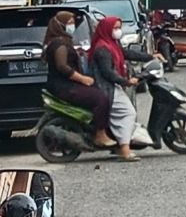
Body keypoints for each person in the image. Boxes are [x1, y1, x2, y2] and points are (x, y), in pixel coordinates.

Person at [42, 11, 114, 149]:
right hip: (64, 86)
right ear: (60, 25)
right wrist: (82, 79)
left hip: (64, 84)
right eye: (69, 23)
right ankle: (100, 134)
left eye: (72, 22)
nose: (72, 25)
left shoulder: (63, 40)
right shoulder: (59, 44)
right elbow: (62, 66)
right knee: (100, 98)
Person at [89, 15, 154, 161]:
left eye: (119, 27)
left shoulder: (112, 44)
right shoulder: (102, 49)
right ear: (107, 29)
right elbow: (107, 73)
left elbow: (127, 53)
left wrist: (150, 57)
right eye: (116, 28)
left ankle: (119, 145)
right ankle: (124, 150)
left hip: (113, 85)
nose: (118, 31)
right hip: (106, 88)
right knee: (128, 113)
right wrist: (125, 82)